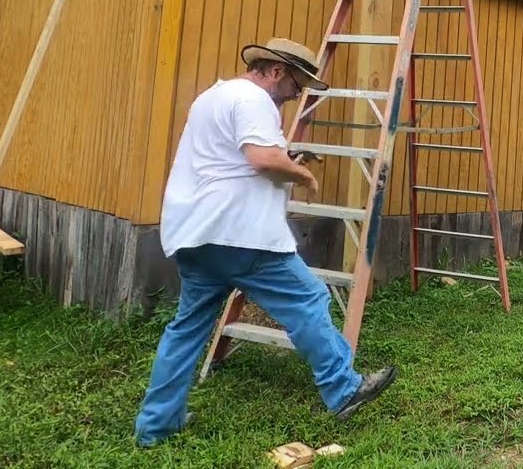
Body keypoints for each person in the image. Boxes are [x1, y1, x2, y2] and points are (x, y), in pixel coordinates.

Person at [133, 37, 397, 447]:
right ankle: (343, 388)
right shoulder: (255, 100)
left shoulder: (214, 96)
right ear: (275, 71)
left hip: (195, 234)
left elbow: (238, 161)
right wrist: (303, 175)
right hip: (239, 234)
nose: (297, 93)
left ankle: (156, 425)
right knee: (308, 298)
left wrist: (290, 159)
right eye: (296, 83)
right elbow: (261, 160)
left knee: (187, 328)